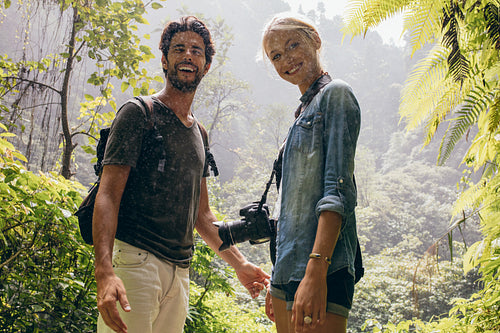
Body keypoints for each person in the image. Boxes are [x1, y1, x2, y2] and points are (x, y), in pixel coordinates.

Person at [93, 16, 270, 333]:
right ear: (164, 59)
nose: (188, 55)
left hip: (180, 274)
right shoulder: (138, 113)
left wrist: (240, 264)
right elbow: (107, 195)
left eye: (197, 50)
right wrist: (104, 271)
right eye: (179, 49)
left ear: (206, 65)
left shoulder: (199, 133)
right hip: (136, 261)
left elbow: (202, 215)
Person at [261, 13, 361, 333]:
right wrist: (278, 274)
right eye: (276, 55)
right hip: (288, 271)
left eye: (293, 45)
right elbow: (290, 207)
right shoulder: (302, 112)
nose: (286, 59)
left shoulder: (336, 95)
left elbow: (337, 190)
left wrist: (315, 272)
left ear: (315, 40)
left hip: (321, 271)